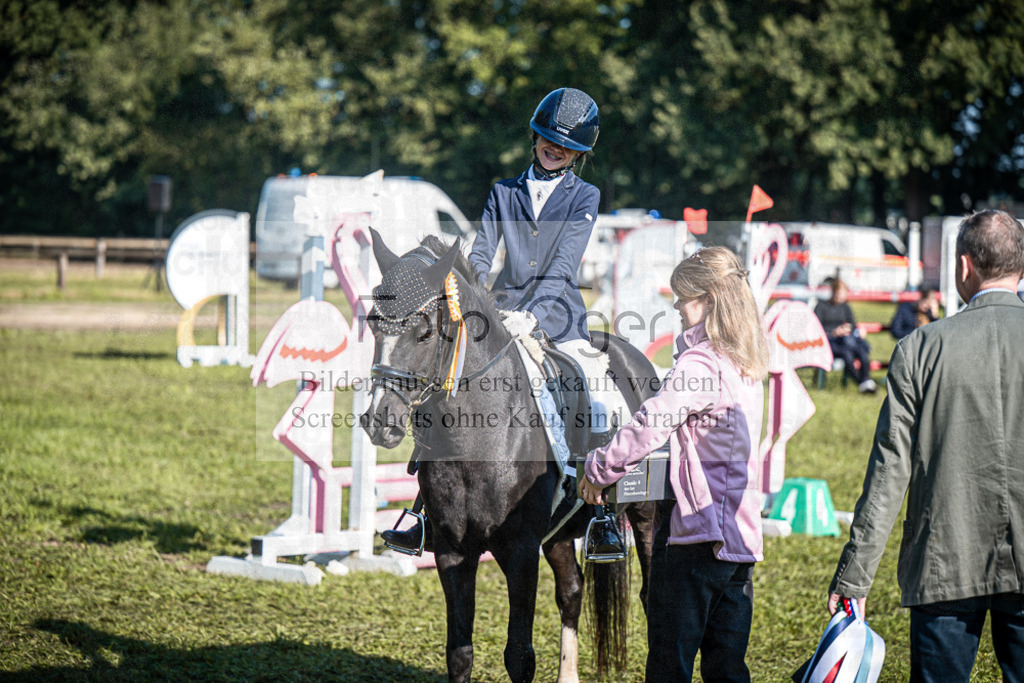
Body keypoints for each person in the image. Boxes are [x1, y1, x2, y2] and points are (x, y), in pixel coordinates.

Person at [382, 87, 607, 554]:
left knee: (594, 383)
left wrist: (534, 315)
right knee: (445, 384)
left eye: (566, 145)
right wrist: (475, 299)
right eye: (548, 138)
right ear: (535, 135)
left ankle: (597, 507)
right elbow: (481, 253)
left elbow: (563, 264)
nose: (555, 148)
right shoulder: (504, 191)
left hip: (558, 315)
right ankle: (423, 508)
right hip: (499, 310)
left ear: (579, 153)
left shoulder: (585, 196)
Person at [827, 209, 1024, 682]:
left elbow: (888, 472)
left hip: (944, 560)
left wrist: (855, 576)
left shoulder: (920, 347)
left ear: (963, 267)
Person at [579, 246, 768, 682]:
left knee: (669, 664)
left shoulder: (699, 363)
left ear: (707, 299)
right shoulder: (743, 363)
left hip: (695, 538)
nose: (677, 306)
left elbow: (650, 425)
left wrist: (598, 469)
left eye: (683, 297)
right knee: (727, 668)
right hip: (739, 538)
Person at [814, 278, 877, 393]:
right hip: (828, 342)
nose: (841, 296)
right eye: (839, 293)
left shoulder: (845, 307)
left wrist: (848, 329)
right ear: (833, 292)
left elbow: (852, 324)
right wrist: (834, 332)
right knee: (847, 354)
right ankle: (862, 383)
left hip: (845, 340)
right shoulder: (821, 306)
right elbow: (815, 327)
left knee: (862, 353)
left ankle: (866, 380)